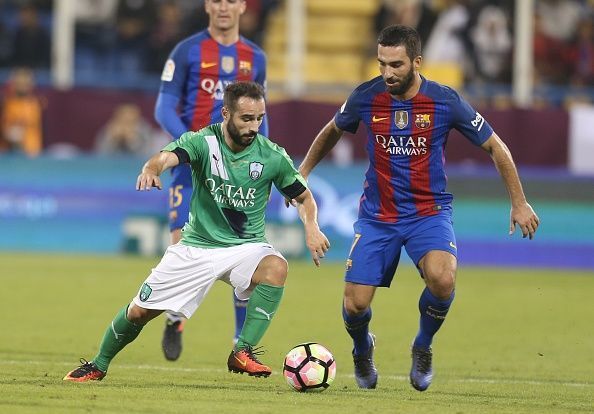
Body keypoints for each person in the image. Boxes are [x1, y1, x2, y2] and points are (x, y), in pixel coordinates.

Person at [296, 25, 539, 391]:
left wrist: (518, 201)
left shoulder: (445, 100)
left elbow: (496, 147)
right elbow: (332, 129)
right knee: (355, 305)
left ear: (417, 62)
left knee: (443, 279)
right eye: (381, 64)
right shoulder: (366, 96)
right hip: (378, 216)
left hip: (428, 212)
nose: (387, 73)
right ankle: (363, 348)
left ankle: (422, 345)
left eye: (396, 64)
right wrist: (303, 172)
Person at [63, 81, 330, 382]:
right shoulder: (204, 142)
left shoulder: (272, 156)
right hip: (196, 247)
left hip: (246, 247)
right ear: (226, 113)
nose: (254, 126)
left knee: (276, 267)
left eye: (259, 118)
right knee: (139, 312)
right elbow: (167, 156)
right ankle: (98, 364)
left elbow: (304, 197)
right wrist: (152, 169)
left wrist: (312, 227)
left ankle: (242, 350)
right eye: (246, 118)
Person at [154, 0, 268, 362]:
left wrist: (266, 162)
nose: (223, 7)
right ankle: (175, 316)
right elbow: (163, 108)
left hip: (237, 176)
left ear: (241, 6)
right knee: (182, 251)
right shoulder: (187, 51)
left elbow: (261, 117)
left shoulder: (256, 57)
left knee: (245, 256)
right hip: (191, 171)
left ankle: (240, 343)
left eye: (231, 0)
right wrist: (195, 147)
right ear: (207, 5)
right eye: (216, 0)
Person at [0, 68, 43, 157]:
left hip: (31, 153)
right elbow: (5, 129)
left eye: (25, 83)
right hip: (8, 156)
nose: (22, 86)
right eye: (19, 83)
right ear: (13, 84)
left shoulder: (35, 104)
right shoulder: (6, 104)